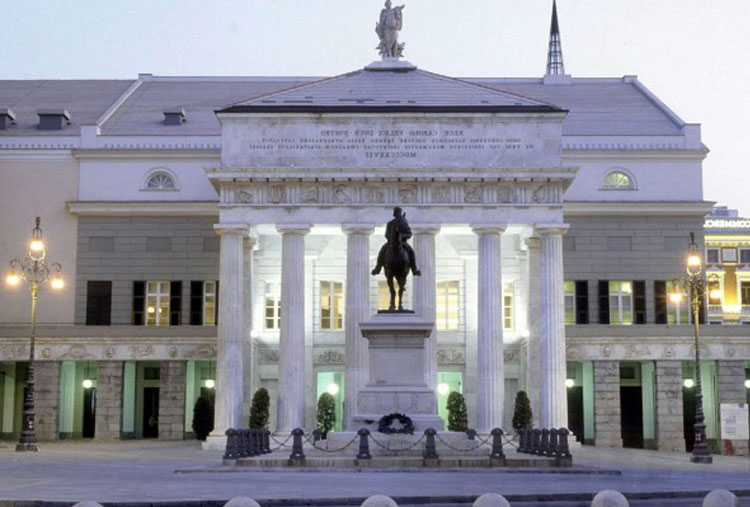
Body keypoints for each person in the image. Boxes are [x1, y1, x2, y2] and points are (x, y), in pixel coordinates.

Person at [372, 207, 421, 276]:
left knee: (411, 252)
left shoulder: (403, 222)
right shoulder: (390, 223)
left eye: (398, 213)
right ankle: (378, 268)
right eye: (396, 213)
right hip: (391, 242)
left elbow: (409, 233)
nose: (397, 214)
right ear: (394, 214)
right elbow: (386, 234)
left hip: (402, 242)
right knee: (382, 251)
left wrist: (402, 237)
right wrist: (391, 238)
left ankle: (414, 269)